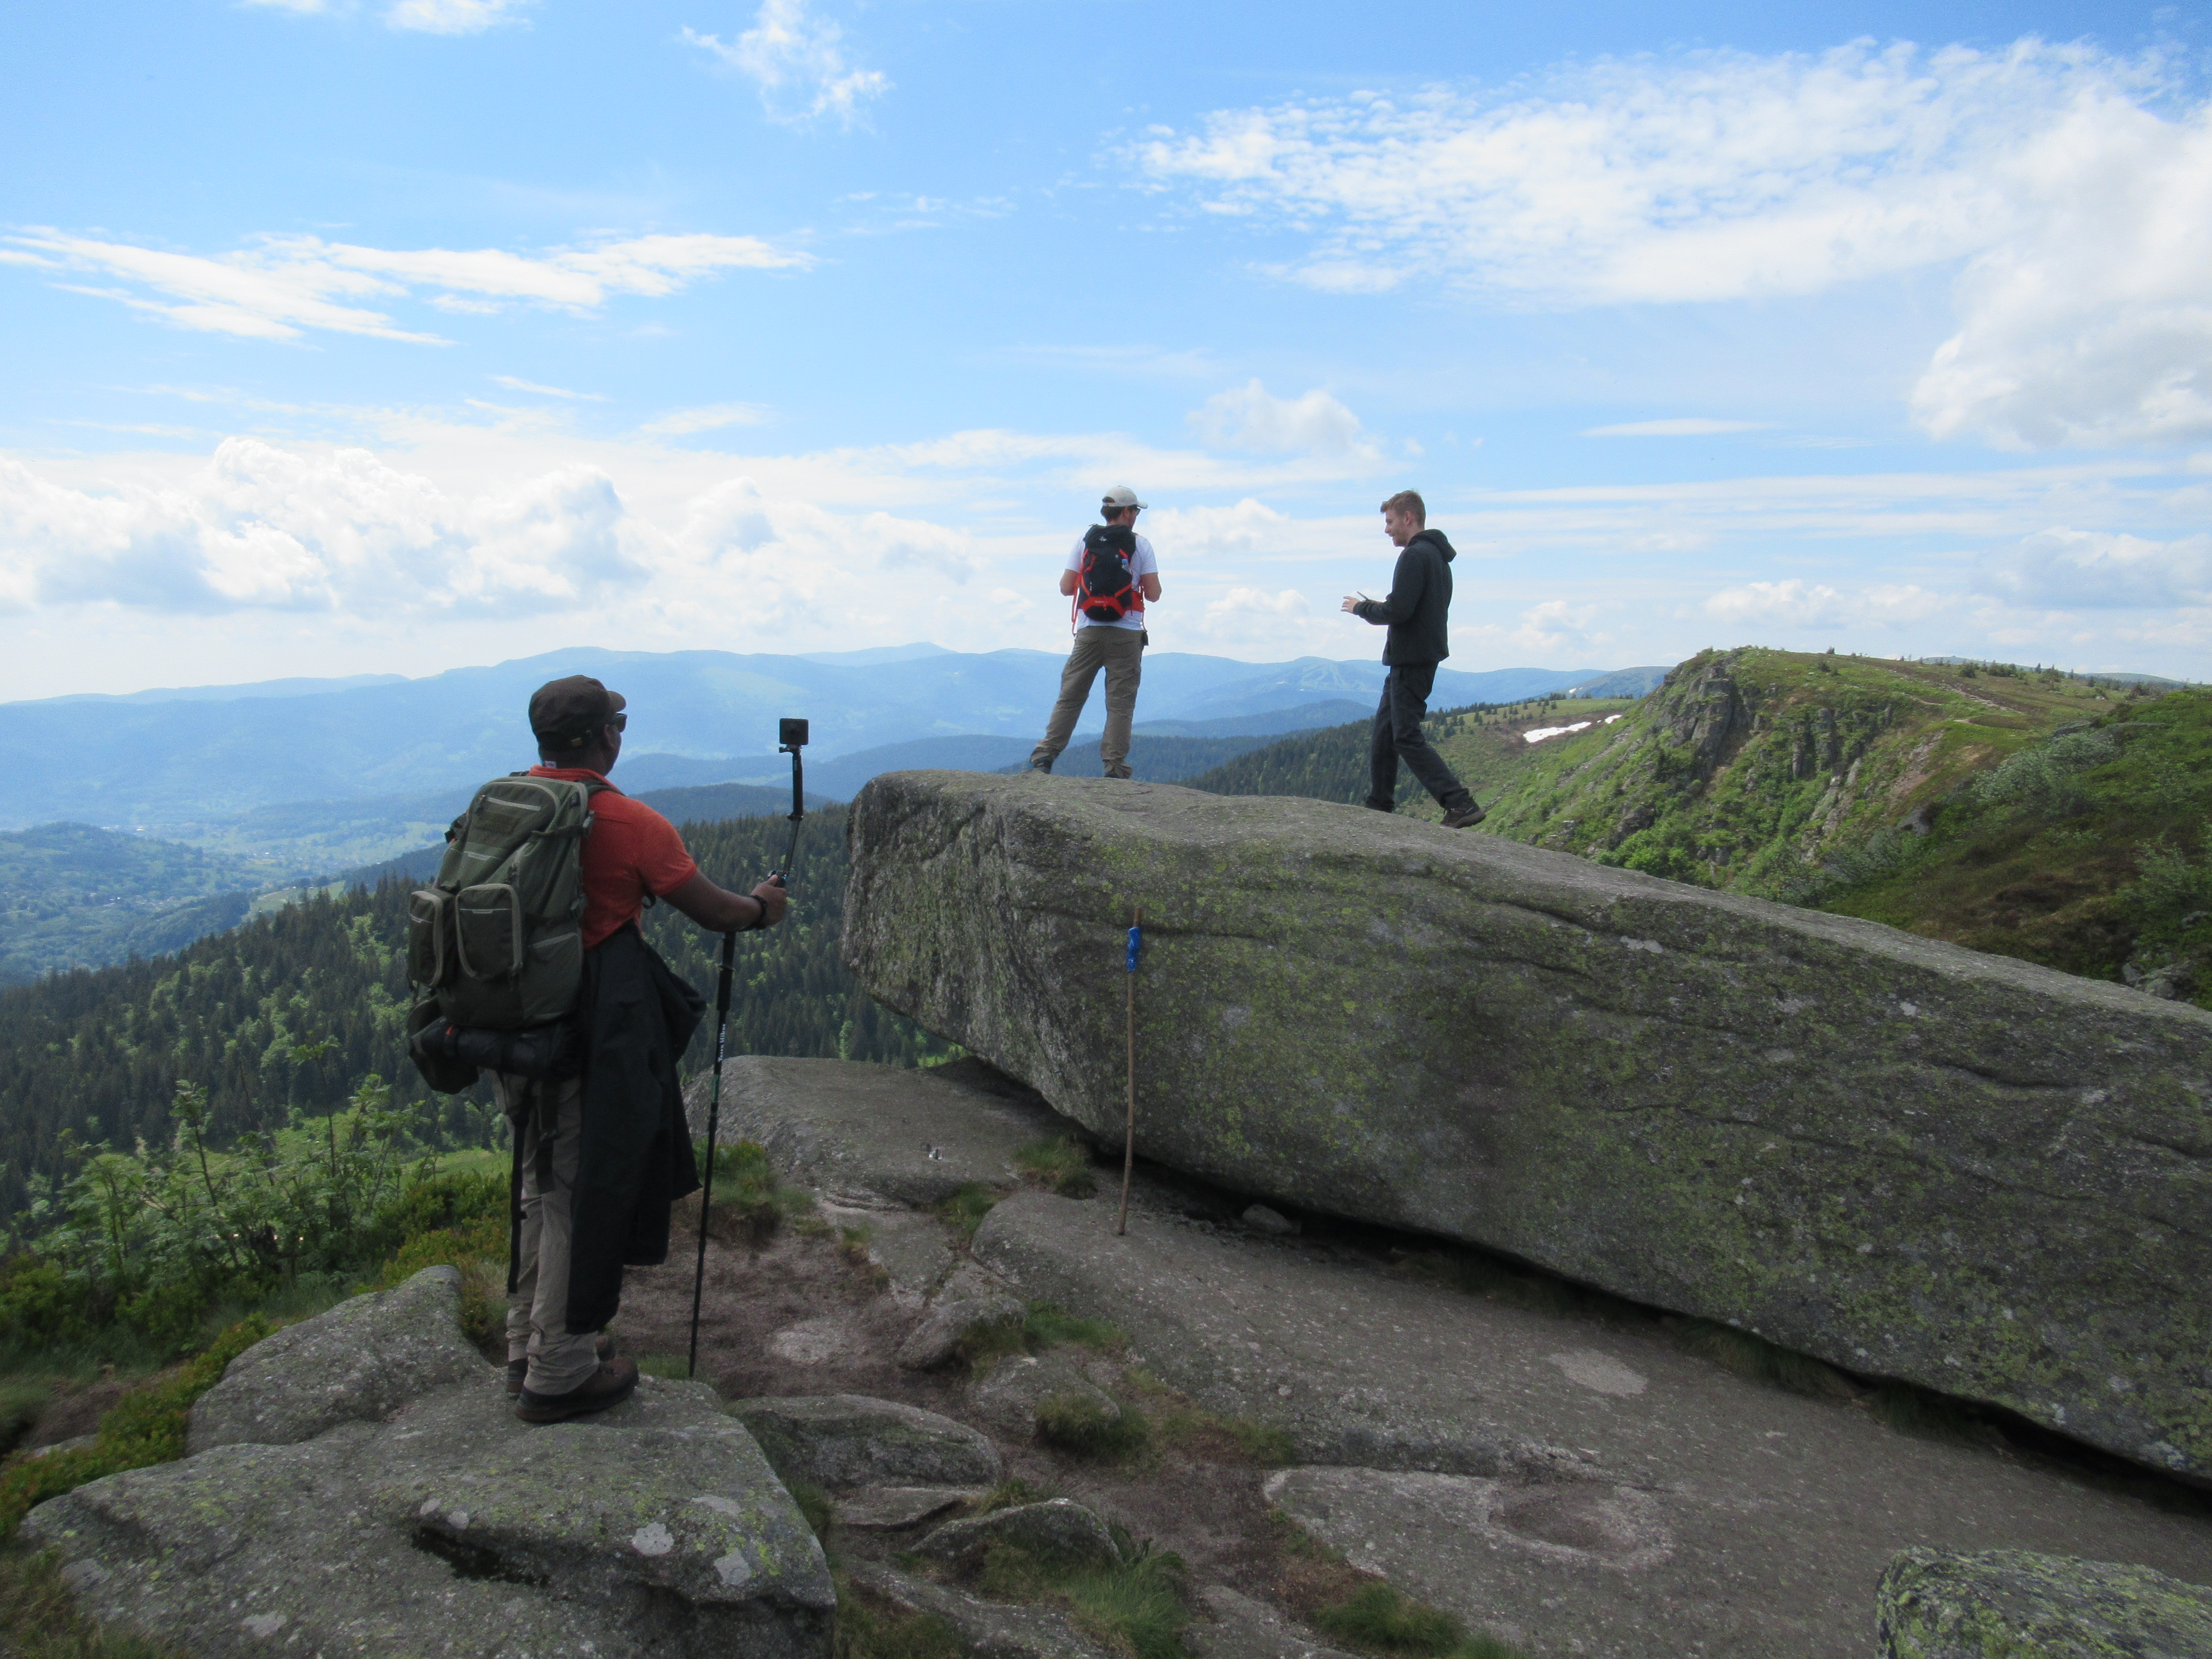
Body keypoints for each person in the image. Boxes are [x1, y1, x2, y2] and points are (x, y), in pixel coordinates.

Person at [501, 674, 790, 1424]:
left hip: (510, 1029)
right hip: (584, 1031)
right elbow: (712, 910)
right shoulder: (629, 822)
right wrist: (761, 909)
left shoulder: (504, 804)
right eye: (618, 726)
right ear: (606, 736)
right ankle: (557, 1371)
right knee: (574, 1193)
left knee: (539, 1184)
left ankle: (526, 1343)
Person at [1341, 492, 1485, 828]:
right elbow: (1411, 608)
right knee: (1385, 733)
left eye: (1390, 522)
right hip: (1416, 657)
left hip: (1412, 659)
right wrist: (1384, 606)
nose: (1387, 530)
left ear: (1408, 518)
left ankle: (1459, 802)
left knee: (1405, 735)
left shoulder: (1414, 556)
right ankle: (1379, 805)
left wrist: (1362, 608)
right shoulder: (1436, 557)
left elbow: (1399, 611)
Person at [1028, 485, 1164, 778]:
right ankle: (1114, 767)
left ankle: (1045, 757)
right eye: (1135, 511)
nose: (1136, 516)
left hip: (1089, 630)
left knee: (1071, 696)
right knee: (1120, 704)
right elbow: (1154, 594)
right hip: (1126, 633)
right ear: (1126, 512)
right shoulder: (1141, 545)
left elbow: (1066, 588)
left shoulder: (1085, 541)